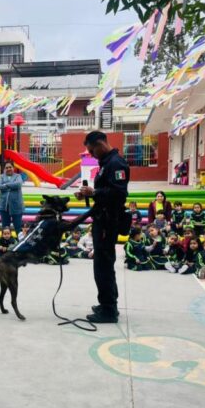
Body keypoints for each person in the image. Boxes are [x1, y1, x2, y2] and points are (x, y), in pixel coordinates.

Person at [77, 131, 130, 323]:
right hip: (102, 219)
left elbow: (119, 194)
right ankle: (108, 303)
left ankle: (108, 310)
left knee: (103, 265)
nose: (91, 155)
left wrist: (95, 191)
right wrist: (90, 194)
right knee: (103, 264)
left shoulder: (116, 163)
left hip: (109, 221)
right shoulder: (107, 163)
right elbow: (105, 191)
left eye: (92, 151)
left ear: (100, 144)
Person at [0, 161, 24, 235]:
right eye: (6, 167)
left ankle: (20, 243)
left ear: (13, 168)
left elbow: (18, 184)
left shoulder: (18, 176)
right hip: (4, 207)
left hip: (16, 207)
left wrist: (6, 185)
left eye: (10, 167)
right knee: (5, 227)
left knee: (18, 227)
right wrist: (12, 186)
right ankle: (5, 243)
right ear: (4, 169)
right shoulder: (2, 176)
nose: (8, 169)